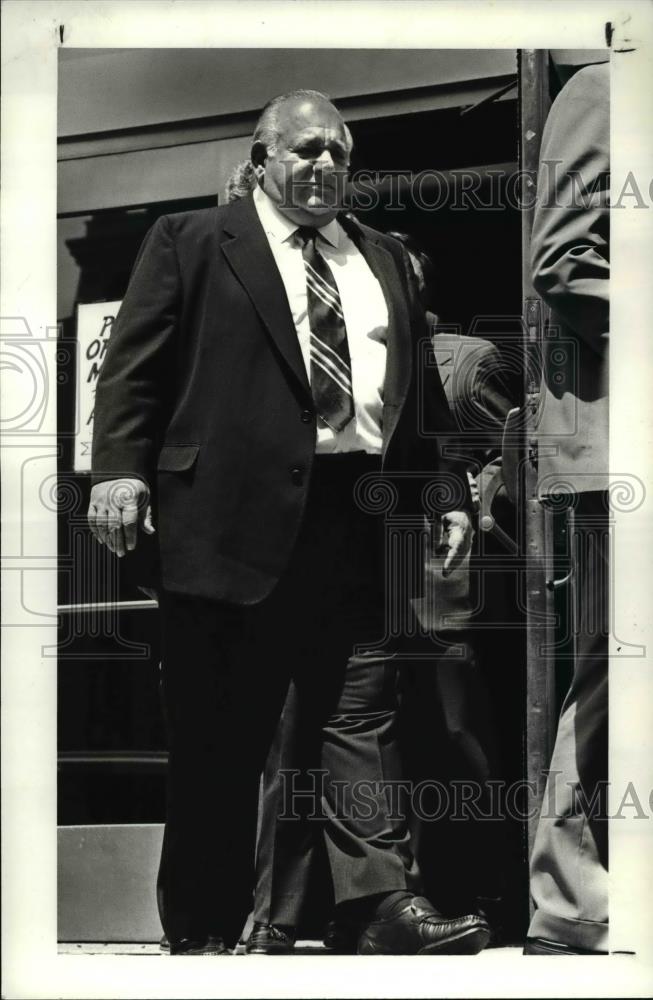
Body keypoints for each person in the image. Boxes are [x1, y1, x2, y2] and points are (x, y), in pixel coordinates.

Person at [88, 89, 490, 956]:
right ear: (263, 157)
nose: (325, 166)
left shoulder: (379, 256)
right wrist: (119, 470)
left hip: (352, 518)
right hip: (222, 528)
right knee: (219, 737)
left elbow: (410, 394)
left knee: (360, 717)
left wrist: (445, 488)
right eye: (306, 150)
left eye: (340, 153)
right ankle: (202, 926)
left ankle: (377, 903)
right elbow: (134, 372)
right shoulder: (192, 242)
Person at [245, 232, 516, 953]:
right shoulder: (327, 353)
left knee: (447, 735)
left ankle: (476, 888)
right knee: (325, 735)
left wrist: (474, 508)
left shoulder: (461, 358)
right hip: (349, 569)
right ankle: (306, 908)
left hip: (433, 574)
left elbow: (508, 451)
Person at [524, 62, 609, 955]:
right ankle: (574, 907)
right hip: (622, 448)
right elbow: (563, 259)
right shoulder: (606, 88)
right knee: (617, 675)